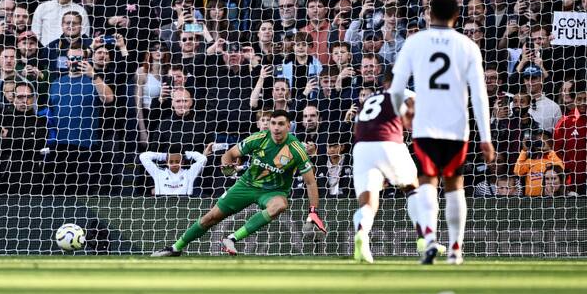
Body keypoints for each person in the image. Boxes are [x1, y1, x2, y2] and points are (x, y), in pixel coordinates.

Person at [389, 0, 494, 265]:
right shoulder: (468, 45)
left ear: (428, 13)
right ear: (457, 16)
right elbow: (479, 94)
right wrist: (486, 137)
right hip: (457, 127)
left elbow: (397, 88)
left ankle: (430, 239)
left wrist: (404, 116)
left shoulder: (415, 42)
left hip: (425, 126)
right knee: (454, 185)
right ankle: (456, 249)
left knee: (427, 181)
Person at [151, 110, 326, 256]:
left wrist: (313, 212)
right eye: (273, 123)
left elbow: (310, 182)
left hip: (273, 191)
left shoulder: (297, 150)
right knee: (209, 218)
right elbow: (228, 155)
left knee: (280, 205)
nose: (276, 127)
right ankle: (175, 248)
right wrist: (228, 170)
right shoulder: (258, 138)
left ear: (289, 126)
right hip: (246, 185)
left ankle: (232, 238)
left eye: (281, 124)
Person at [350, 69, 442, 263]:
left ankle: (361, 234)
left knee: (368, 202)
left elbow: (356, 128)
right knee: (411, 188)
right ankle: (424, 239)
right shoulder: (405, 94)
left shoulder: (369, 99)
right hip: (389, 143)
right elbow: (412, 118)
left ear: (384, 83)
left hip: (361, 148)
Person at [139, 145, 210, 196]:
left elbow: (203, 159)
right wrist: (164, 156)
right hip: (161, 208)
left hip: (184, 208)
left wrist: (185, 154)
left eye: (177, 161)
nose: (174, 164)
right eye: (171, 161)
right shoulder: (158, 173)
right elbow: (143, 156)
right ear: (166, 162)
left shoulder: (189, 174)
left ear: (182, 162)